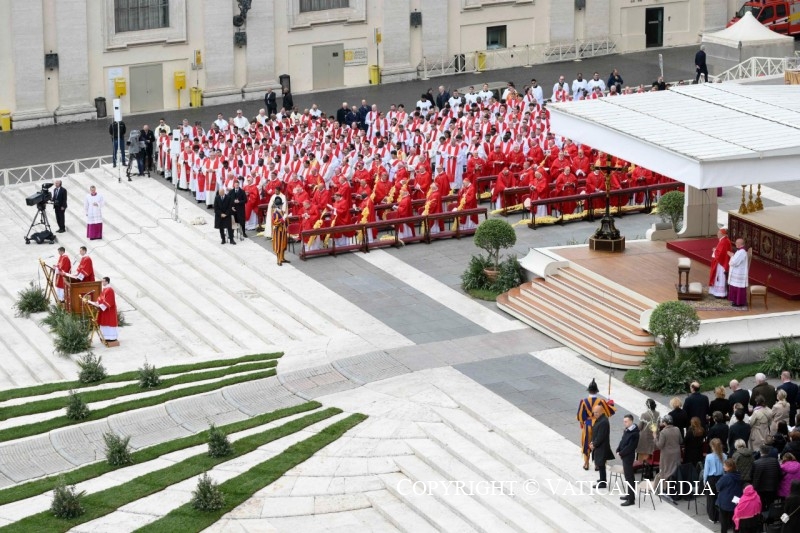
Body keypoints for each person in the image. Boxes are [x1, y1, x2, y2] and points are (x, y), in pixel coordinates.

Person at [576, 378, 616, 471]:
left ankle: (586, 463)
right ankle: (597, 464)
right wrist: (610, 404)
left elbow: (580, 416)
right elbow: (608, 413)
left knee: (587, 443)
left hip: (588, 425)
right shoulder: (601, 402)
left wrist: (584, 422)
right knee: (598, 443)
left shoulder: (584, 401)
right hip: (599, 425)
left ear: (589, 391)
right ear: (596, 391)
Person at [653, 414, 682, 489]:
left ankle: (665, 488)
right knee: (675, 469)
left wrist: (655, 438)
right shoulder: (677, 429)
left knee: (665, 471)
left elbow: (659, 445)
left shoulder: (663, 432)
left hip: (666, 455)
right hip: (676, 453)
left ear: (665, 423)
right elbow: (681, 441)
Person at [616, 413, 639, 506]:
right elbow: (622, 441)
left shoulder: (635, 433)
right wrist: (618, 449)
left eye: (626, 421)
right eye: (624, 421)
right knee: (627, 477)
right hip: (624, 455)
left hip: (628, 457)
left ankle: (631, 499)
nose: (624, 423)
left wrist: (621, 453)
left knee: (629, 477)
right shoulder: (627, 430)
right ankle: (629, 495)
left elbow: (630, 447)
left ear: (631, 421)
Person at [589, 403, 614, 488]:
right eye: (594, 412)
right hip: (599, 446)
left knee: (601, 464)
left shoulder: (603, 422)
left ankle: (603, 483)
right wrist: (592, 442)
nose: (595, 414)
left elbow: (601, 436)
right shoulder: (600, 419)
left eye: (596, 412)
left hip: (602, 447)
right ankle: (602, 479)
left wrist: (594, 444)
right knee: (600, 464)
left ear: (601, 412)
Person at [87, 277, 118, 343]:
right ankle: (105, 337)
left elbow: (110, 301)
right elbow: (101, 298)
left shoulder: (110, 290)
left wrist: (100, 306)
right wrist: (96, 303)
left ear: (107, 282)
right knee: (104, 322)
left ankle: (111, 337)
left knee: (109, 322)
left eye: (103, 281)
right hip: (104, 310)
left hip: (109, 310)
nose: (102, 282)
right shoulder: (105, 289)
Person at [716, 459, 742, 533]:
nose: (723, 467)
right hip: (736, 500)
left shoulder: (726, 477)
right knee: (735, 519)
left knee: (724, 520)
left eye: (725, 466)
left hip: (725, 500)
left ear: (729, 467)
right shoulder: (739, 475)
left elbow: (718, 487)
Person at [752, 443, 781, 509]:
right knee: (771, 503)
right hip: (772, 486)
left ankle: (763, 512)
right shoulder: (775, 461)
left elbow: (752, 475)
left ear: (760, 452)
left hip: (760, 487)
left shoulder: (756, 463)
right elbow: (779, 473)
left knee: (762, 503)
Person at [704, 438, 726, 523]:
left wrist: (704, 481)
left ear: (712, 447)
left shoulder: (709, 457)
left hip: (711, 479)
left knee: (711, 499)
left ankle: (712, 517)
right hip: (721, 478)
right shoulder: (724, 456)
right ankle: (720, 517)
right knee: (719, 498)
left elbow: (706, 471)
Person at [709, 228, 731, 298]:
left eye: (718, 233)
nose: (717, 234)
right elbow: (721, 251)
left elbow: (720, 254)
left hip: (722, 263)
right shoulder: (724, 240)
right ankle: (718, 292)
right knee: (719, 276)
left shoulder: (724, 241)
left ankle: (720, 293)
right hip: (722, 261)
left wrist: (715, 251)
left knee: (720, 277)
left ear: (723, 234)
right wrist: (716, 250)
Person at [636, 398, 659, 464]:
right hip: (654, 436)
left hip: (645, 438)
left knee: (643, 454)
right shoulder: (657, 414)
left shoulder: (644, 415)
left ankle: (641, 464)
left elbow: (640, 427)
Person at [727, 237, 749, 307]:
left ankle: (738, 302)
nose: (735, 244)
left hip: (739, 274)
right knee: (735, 288)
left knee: (738, 289)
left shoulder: (742, 252)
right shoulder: (740, 251)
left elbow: (734, 262)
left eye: (736, 243)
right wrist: (733, 255)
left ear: (740, 244)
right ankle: (735, 301)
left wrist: (731, 256)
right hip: (737, 273)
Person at [271, 197, 288, 266]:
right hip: (278, 231)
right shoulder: (275, 213)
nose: (281, 206)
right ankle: (278, 260)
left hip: (283, 230)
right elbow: (275, 222)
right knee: (278, 245)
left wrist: (286, 218)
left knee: (283, 244)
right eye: (281, 205)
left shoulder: (282, 212)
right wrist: (283, 219)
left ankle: (282, 258)